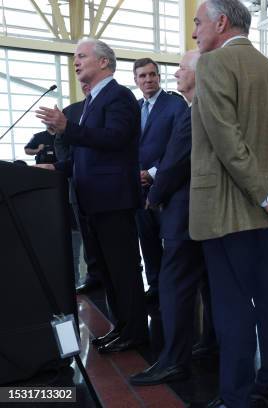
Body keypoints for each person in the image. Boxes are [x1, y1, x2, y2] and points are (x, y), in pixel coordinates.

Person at [190, 1, 268, 407]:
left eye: (198, 23)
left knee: (232, 308)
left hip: (229, 211)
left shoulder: (213, 65)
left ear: (221, 22)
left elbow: (225, 140)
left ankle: (235, 396)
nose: (194, 33)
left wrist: (267, 194)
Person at [35, 38, 147, 354]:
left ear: (103, 62)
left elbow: (113, 139)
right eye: (74, 57)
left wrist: (66, 127)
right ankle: (122, 327)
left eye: (81, 56)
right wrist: (55, 167)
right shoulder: (92, 102)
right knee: (108, 273)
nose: (76, 62)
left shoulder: (119, 96)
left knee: (123, 270)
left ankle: (136, 331)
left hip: (113, 200)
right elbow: (87, 155)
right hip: (93, 201)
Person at [130, 50, 217, 386]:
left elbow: (176, 160)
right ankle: (209, 342)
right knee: (206, 283)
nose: (176, 73)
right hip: (197, 211)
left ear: (200, 74)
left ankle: (173, 360)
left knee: (174, 286)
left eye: (182, 68)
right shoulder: (199, 107)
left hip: (184, 212)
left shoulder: (192, 110)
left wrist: (154, 195)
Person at [133, 58, 188, 300]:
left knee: (173, 244)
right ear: (135, 80)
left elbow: (178, 147)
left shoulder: (176, 105)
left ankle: (172, 289)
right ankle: (155, 287)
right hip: (137, 189)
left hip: (168, 187)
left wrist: (153, 173)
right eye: (142, 76)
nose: (148, 80)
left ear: (159, 76)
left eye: (152, 74)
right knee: (147, 243)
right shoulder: (134, 108)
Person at [53, 82, 102, 292]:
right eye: (83, 83)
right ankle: (94, 276)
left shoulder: (107, 107)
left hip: (105, 182)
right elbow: (60, 142)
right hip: (78, 182)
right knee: (86, 234)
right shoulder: (71, 111)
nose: (87, 86)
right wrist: (71, 165)